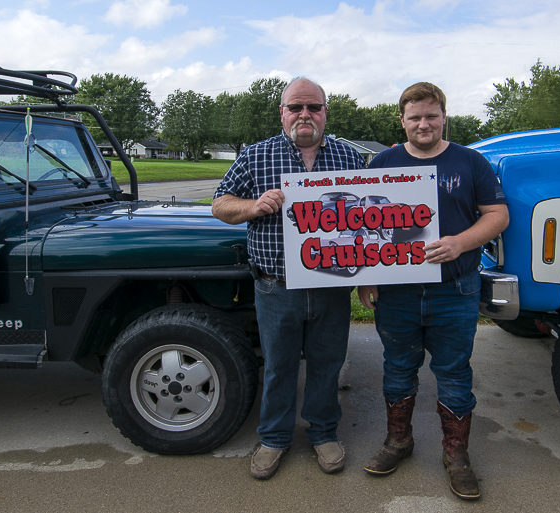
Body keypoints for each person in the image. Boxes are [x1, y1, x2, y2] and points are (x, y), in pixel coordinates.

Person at [357, 82, 508, 500]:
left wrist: (461, 241)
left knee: (455, 372)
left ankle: (456, 455)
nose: (423, 124)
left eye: (431, 116)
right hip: (398, 291)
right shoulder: (383, 163)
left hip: (455, 289)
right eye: (414, 117)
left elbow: (498, 215)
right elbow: (366, 227)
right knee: (398, 368)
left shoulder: (471, 162)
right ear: (402, 121)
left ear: (444, 116)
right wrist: (367, 275)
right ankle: (398, 441)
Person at [211, 77, 366, 480]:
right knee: (279, 366)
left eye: (313, 107)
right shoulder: (256, 157)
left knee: (327, 363)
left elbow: (370, 220)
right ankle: (274, 438)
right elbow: (220, 204)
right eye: (295, 107)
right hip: (275, 284)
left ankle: (324, 433)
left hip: (333, 285)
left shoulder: (350, 158)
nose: (304, 115)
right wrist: (254, 206)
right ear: (282, 112)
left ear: (325, 112)